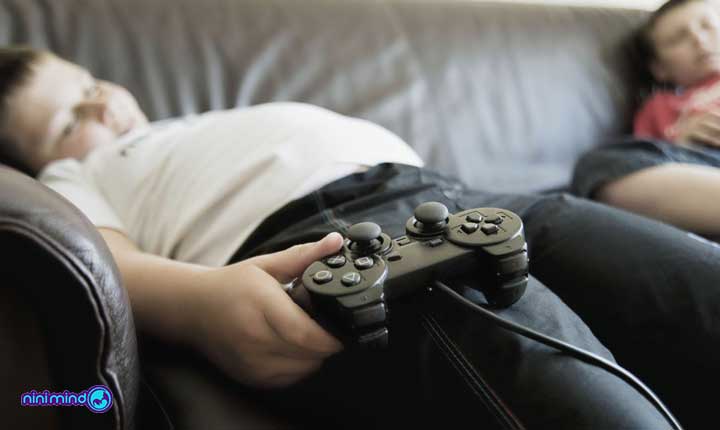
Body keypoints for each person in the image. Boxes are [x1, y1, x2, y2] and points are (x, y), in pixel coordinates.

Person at [1, 45, 719, 430]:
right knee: (561, 385)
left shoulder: (193, 125)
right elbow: (104, 258)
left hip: (471, 197)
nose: (101, 105)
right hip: (331, 238)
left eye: (89, 84)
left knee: (690, 282)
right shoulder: (76, 173)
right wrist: (199, 305)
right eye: (68, 120)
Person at [572, 0, 720, 240]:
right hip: (699, 169)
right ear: (660, 68)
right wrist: (681, 142)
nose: (698, 40)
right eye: (678, 38)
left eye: (707, 25)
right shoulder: (659, 106)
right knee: (600, 164)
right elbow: (646, 157)